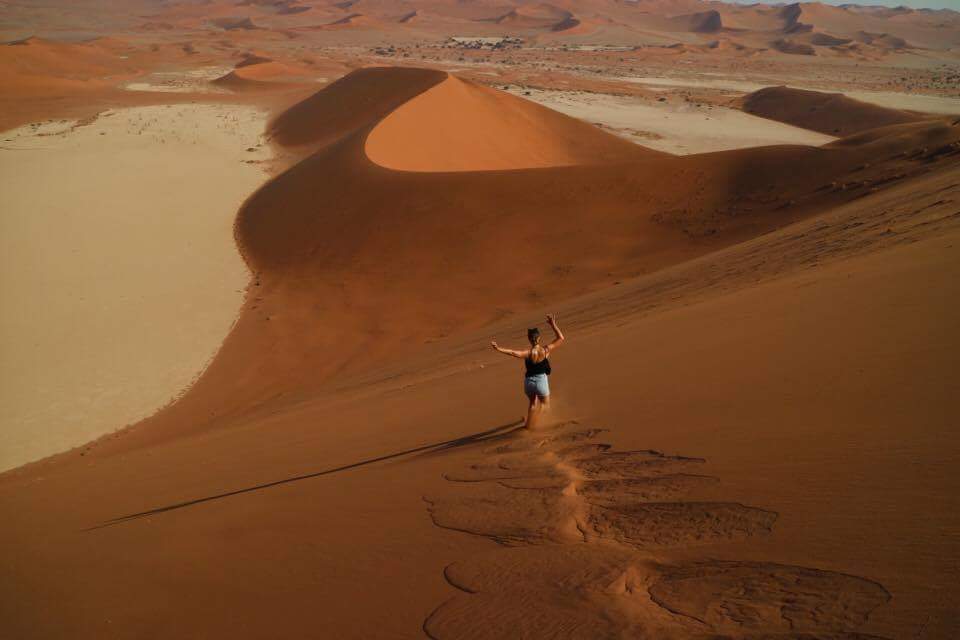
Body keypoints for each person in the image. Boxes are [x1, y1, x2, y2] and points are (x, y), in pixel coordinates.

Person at [491, 314, 565, 429]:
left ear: (529, 339)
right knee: (545, 405)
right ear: (539, 338)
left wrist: (498, 348)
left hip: (528, 383)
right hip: (541, 381)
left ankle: (528, 425)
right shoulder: (545, 350)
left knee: (532, 403)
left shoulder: (527, 353)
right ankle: (534, 422)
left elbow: (513, 352)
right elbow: (561, 338)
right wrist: (553, 324)